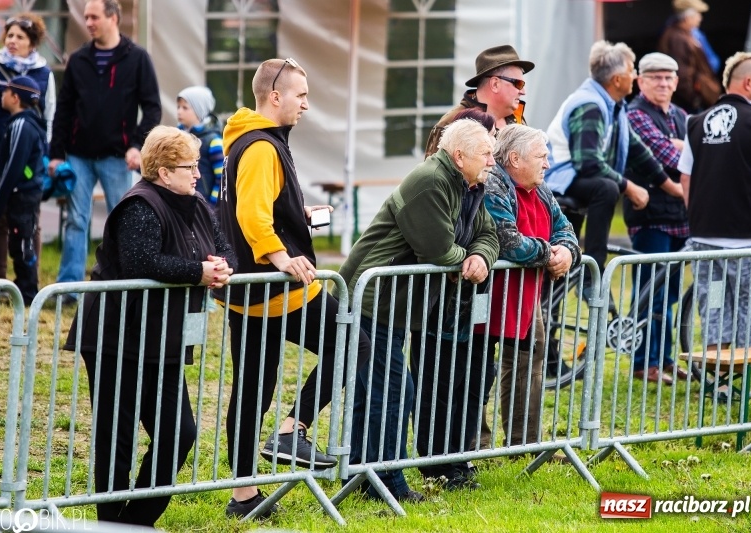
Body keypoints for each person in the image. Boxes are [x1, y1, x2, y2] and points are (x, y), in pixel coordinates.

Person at [215, 57, 370, 519]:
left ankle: (243, 497)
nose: (306, 104)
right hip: (279, 286)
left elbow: (260, 205)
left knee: (251, 391)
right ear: (275, 96)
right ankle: (290, 430)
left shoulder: (250, 140)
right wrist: (281, 255)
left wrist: (296, 215)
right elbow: (251, 216)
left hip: (252, 292)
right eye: (301, 96)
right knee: (353, 343)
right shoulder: (262, 146)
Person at [63, 125, 236, 526]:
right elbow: (142, 262)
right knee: (117, 438)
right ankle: (110, 521)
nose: (197, 175)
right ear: (162, 172)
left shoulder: (196, 204)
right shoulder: (139, 205)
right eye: (188, 167)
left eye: (196, 166)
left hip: (164, 339)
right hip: (116, 336)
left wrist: (223, 267)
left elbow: (223, 247)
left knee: (181, 434)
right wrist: (199, 271)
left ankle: (135, 521)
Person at [338, 118, 500, 501]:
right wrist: (466, 260)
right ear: (458, 156)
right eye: (486, 153)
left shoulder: (467, 185)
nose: (493, 160)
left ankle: (364, 477)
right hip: (374, 298)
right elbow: (438, 249)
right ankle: (385, 482)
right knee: (394, 390)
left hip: (396, 304)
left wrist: (481, 255)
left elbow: (489, 233)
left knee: (377, 390)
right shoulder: (432, 180)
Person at [470, 124, 580, 450]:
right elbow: (507, 242)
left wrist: (567, 253)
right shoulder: (493, 186)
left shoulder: (541, 188)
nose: (547, 164)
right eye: (541, 157)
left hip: (526, 295)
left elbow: (565, 227)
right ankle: (477, 443)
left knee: (530, 359)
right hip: (486, 292)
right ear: (515, 159)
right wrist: (549, 254)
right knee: (477, 366)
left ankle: (525, 444)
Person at [49, 0, 161, 300]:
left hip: (117, 159)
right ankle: (68, 290)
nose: (88, 23)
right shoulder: (79, 59)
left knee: (122, 224)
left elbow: (152, 109)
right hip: (78, 156)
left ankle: (123, 287)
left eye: (94, 17)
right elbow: (64, 109)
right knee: (76, 220)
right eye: (86, 17)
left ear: (113, 18)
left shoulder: (138, 58)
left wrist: (137, 145)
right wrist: (56, 153)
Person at [545, 40, 683, 275]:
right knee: (607, 188)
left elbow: (639, 153)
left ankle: (582, 275)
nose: (635, 75)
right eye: (631, 70)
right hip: (559, 178)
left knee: (606, 186)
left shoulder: (613, 105)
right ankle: (593, 271)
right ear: (617, 79)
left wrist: (673, 188)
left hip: (575, 177)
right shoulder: (591, 105)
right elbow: (588, 163)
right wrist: (629, 187)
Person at [678, 51, 751, 403]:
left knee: (715, 308)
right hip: (749, 244)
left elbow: (686, 177)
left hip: (705, 244)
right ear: (748, 82)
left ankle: (721, 385)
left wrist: (698, 216)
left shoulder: (696, 122)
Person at [624, 52, 691, 385]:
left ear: (676, 82)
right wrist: (681, 147)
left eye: (669, 78)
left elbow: (701, 153)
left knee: (673, 294)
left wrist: (683, 145)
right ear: (641, 82)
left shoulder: (681, 114)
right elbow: (664, 155)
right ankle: (643, 363)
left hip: (681, 216)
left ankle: (664, 360)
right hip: (650, 218)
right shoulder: (634, 114)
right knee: (650, 294)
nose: (663, 83)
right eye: (656, 77)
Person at [0, 13, 54, 281]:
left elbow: (49, 117)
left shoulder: (44, 75)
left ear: (32, 42)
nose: (12, 40)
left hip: (31, 162)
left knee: (31, 219)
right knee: (0, 219)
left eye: (19, 36)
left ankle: (30, 276)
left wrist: (42, 153)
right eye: (9, 35)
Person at [0, 76, 47, 306]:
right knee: (20, 241)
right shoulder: (26, 123)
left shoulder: (21, 125)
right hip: (24, 194)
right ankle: (24, 287)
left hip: (22, 195)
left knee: (22, 243)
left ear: (16, 98)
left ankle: (27, 293)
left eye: (5, 91)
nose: (1, 95)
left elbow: (12, 167)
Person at [424, 45, 534, 158]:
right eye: (519, 84)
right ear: (495, 84)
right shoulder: (451, 125)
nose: (523, 92)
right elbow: (434, 175)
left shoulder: (517, 119)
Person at [658, 0, 721, 114]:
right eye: (697, 14)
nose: (700, 18)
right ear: (687, 17)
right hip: (687, 103)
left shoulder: (687, 34)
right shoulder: (678, 38)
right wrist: (695, 99)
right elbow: (682, 73)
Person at [176, 86, 223, 206]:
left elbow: (222, 178)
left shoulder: (213, 141)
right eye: (178, 107)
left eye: (185, 107)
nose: (179, 111)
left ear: (199, 110)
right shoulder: (176, 136)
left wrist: (211, 207)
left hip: (204, 206)